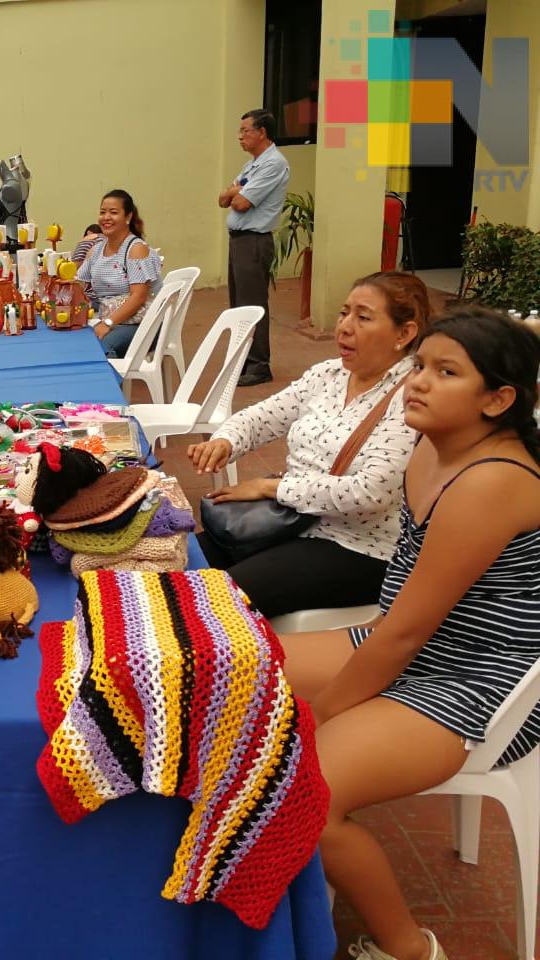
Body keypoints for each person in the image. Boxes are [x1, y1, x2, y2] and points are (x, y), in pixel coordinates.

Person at [281, 306, 540, 960]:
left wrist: (326, 714)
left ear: (499, 400)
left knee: (302, 786)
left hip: (479, 677)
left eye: (445, 372)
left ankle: (409, 948)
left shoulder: (493, 481)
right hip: (411, 641)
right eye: (419, 365)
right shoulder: (433, 445)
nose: (417, 382)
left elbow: (404, 635)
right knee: (241, 671)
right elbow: (398, 628)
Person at [188, 272, 432, 618]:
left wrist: (270, 488)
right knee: (180, 561)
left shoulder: (411, 395)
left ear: (404, 333)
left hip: (355, 546)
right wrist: (226, 440)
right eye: (344, 313)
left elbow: (370, 493)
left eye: (363, 317)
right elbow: (263, 416)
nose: (345, 327)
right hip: (289, 521)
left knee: (216, 602)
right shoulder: (328, 375)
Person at [219, 108, 290, 387]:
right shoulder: (253, 164)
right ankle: (244, 360)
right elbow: (223, 198)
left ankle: (260, 365)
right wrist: (235, 191)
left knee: (252, 304)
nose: (240, 137)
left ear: (262, 132)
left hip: (254, 241)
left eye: (245, 131)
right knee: (239, 304)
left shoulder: (273, 163)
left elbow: (240, 202)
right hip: (239, 240)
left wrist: (235, 192)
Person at [79, 189, 163, 360]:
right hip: (115, 322)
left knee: (100, 346)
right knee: (77, 341)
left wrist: (107, 323)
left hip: (143, 324)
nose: (106, 217)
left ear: (128, 217)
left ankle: (110, 386)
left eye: (113, 212)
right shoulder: (96, 251)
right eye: (102, 212)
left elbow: (139, 297)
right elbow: (76, 285)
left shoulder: (136, 249)